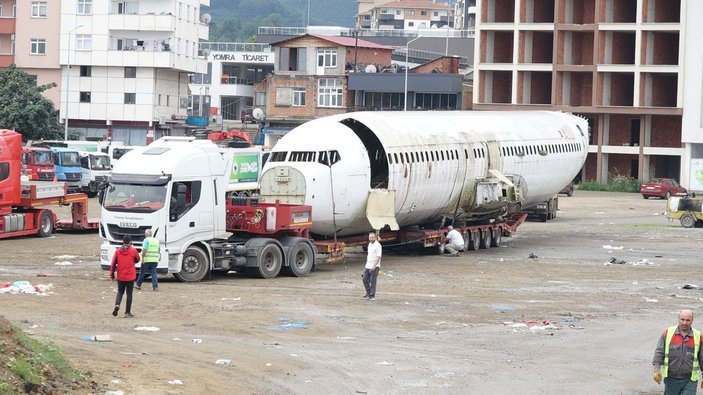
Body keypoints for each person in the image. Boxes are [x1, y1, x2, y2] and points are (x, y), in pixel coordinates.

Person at [653, 309, 703, 394]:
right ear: (678, 319)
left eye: (688, 320)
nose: (684, 323)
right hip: (671, 379)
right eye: (682, 319)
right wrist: (656, 370)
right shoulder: (668, 333)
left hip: (690, 380)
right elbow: (659, 352)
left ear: (692, 321)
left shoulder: (698, 336)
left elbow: (702, 358)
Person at [109, 235, 141, 318]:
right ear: (130, 241)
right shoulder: (133, 250)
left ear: (122, 241)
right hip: (130, 276)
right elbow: (138, 259)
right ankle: (127, 313)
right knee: (129, 294)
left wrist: (112, 275)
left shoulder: (117, 251)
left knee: (120, 292)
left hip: (121, 276)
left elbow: (113, 264)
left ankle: (117, 304)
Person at [362, 232, 382, 301]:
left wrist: (374, 266)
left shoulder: (378, 245)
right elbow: (369, 255)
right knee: (364, 279)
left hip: (375, 266)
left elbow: (378, 256)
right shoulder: (370, 244)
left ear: (375, 238)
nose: (371, 239)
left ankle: (372, 295)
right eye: (370, 237)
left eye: (372, 237)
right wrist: (367, 264)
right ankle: (368, 293)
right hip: (368, 265)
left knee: (372, 281)